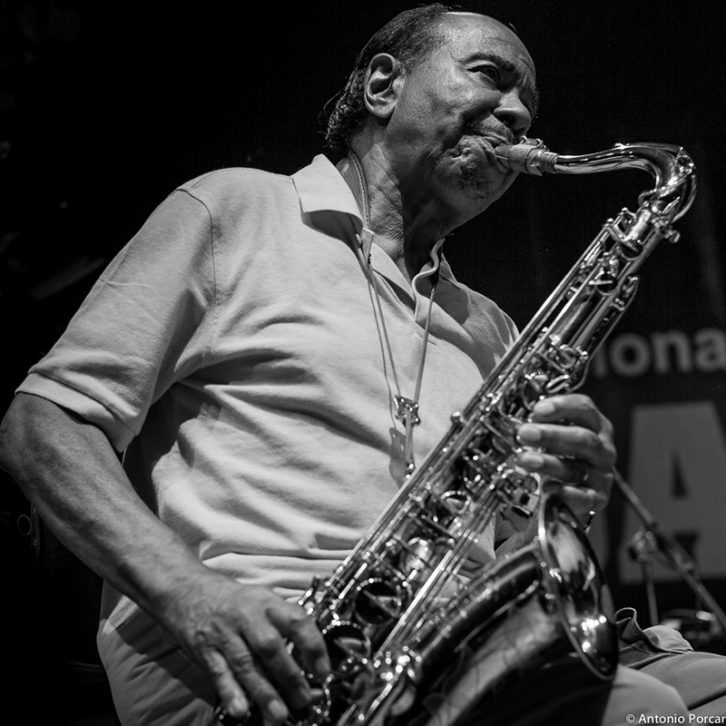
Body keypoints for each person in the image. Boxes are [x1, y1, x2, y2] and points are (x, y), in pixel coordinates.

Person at [1, 5, 724, 725]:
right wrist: (190, 593)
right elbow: (44, 424)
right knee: (640, 709)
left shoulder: (492, 327)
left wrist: (558, 495)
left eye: (529, 107)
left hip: (454, 648)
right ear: (383, 85)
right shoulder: (237, 210)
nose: (517, 116)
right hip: (261, 659)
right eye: (491, 77)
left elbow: (506, 544)